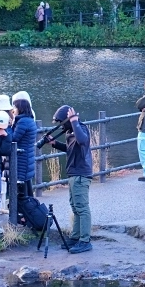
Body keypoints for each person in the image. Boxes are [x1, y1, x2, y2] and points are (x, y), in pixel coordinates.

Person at [50, 105, 93, 253]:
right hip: (74, 173)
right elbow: (71, 149)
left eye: (61, 122)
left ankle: (85, 241)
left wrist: (74, 121)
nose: (61, 126)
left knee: (82, 208)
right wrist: (55, 144)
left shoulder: (80, 128)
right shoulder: (71, 130)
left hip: (81, 174)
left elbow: (82, 140)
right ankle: (75, 237)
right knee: (75, 207)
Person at [11, 91, 38, 199]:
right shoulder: (29, 120)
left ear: (20, 108)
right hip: (26, 157)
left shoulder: (22, 122)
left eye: (15, 107)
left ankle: (22, 213)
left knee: (21, 188)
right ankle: (28, 212)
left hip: (22, 158)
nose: (13, 110)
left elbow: (13, 138)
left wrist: (9, 126)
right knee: (26, 186)